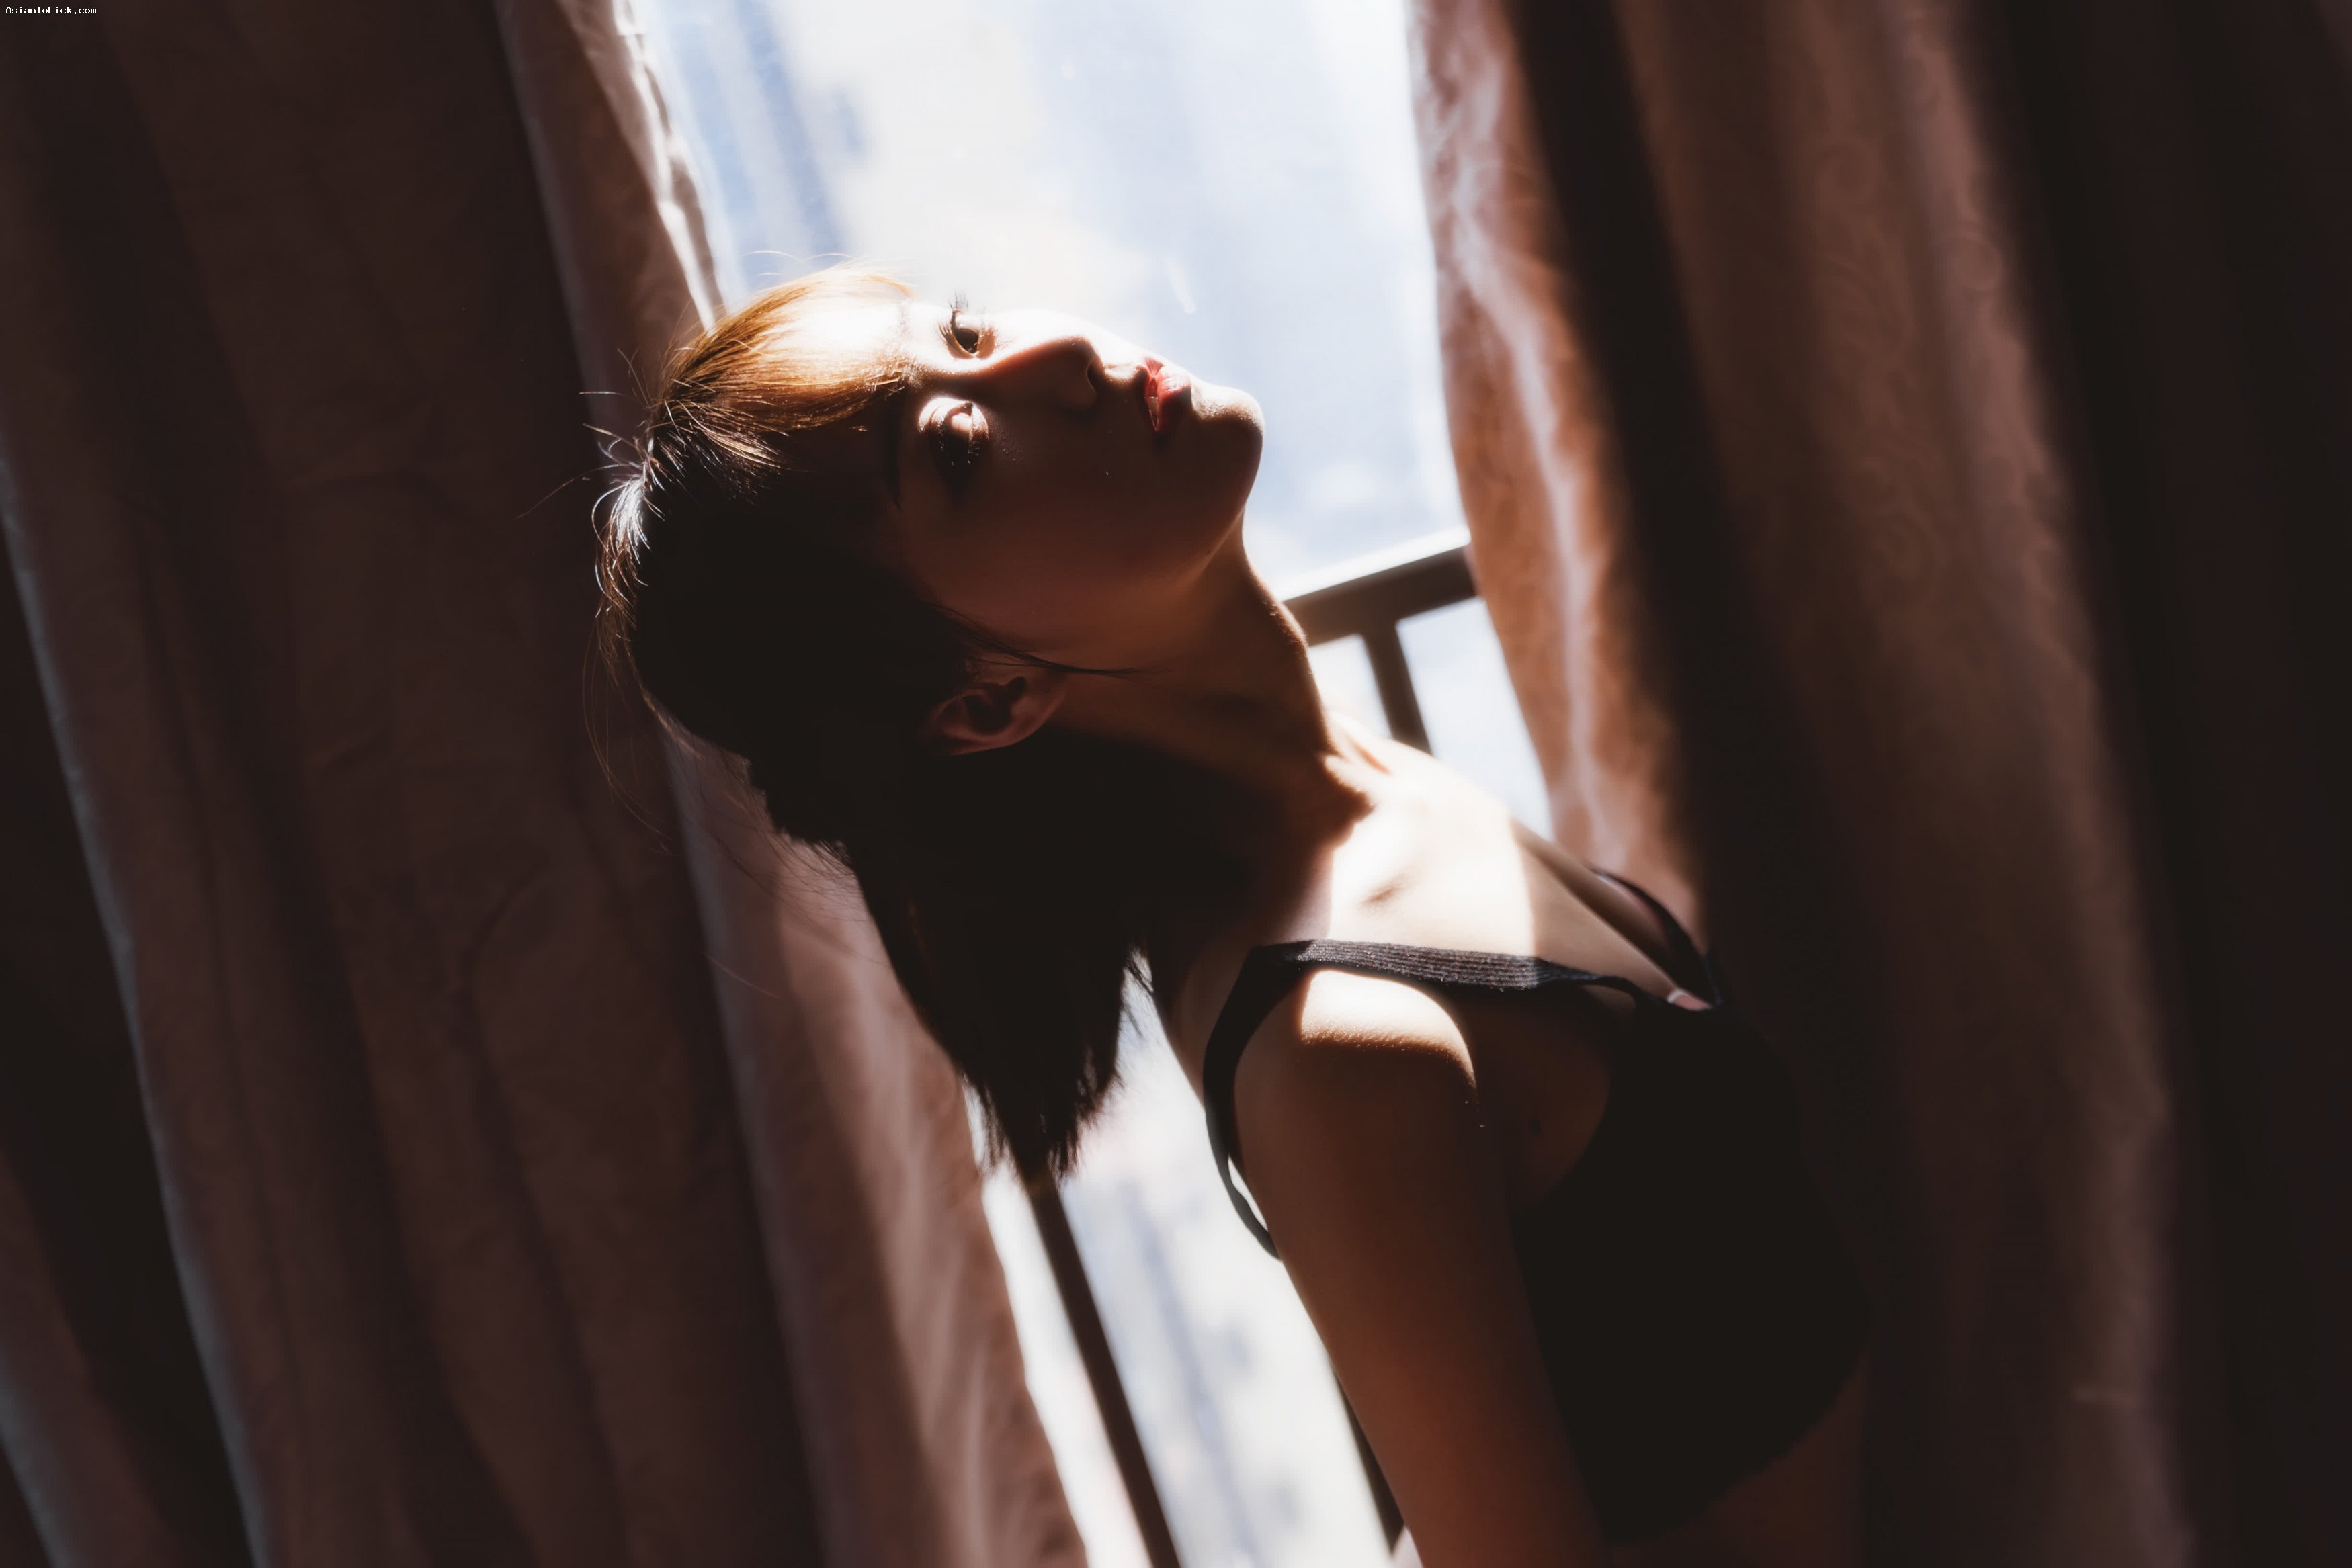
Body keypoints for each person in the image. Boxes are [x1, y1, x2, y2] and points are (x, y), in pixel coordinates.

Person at [596, 264, 1872, 1567]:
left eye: (966, 329)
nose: (1056, 358)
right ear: (985, 700)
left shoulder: (1350, 789)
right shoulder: (1343, 1051)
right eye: (959, 449)